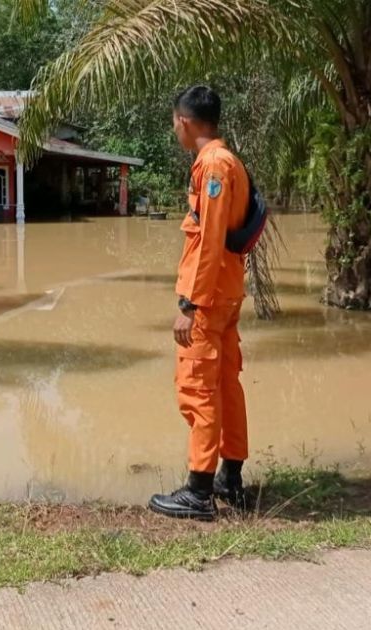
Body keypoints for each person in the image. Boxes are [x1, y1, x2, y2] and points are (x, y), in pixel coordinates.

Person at [149, 85, 250, 520]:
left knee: (198, 388)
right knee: (226, 384)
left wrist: (189, 303)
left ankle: (199, 491)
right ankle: (231, 477)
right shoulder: (229, 162)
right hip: (227, 293)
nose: (175, 129)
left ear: (184, 121)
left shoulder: (213, 167)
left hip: (208, 299)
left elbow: (208, 242)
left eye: (175, 122)